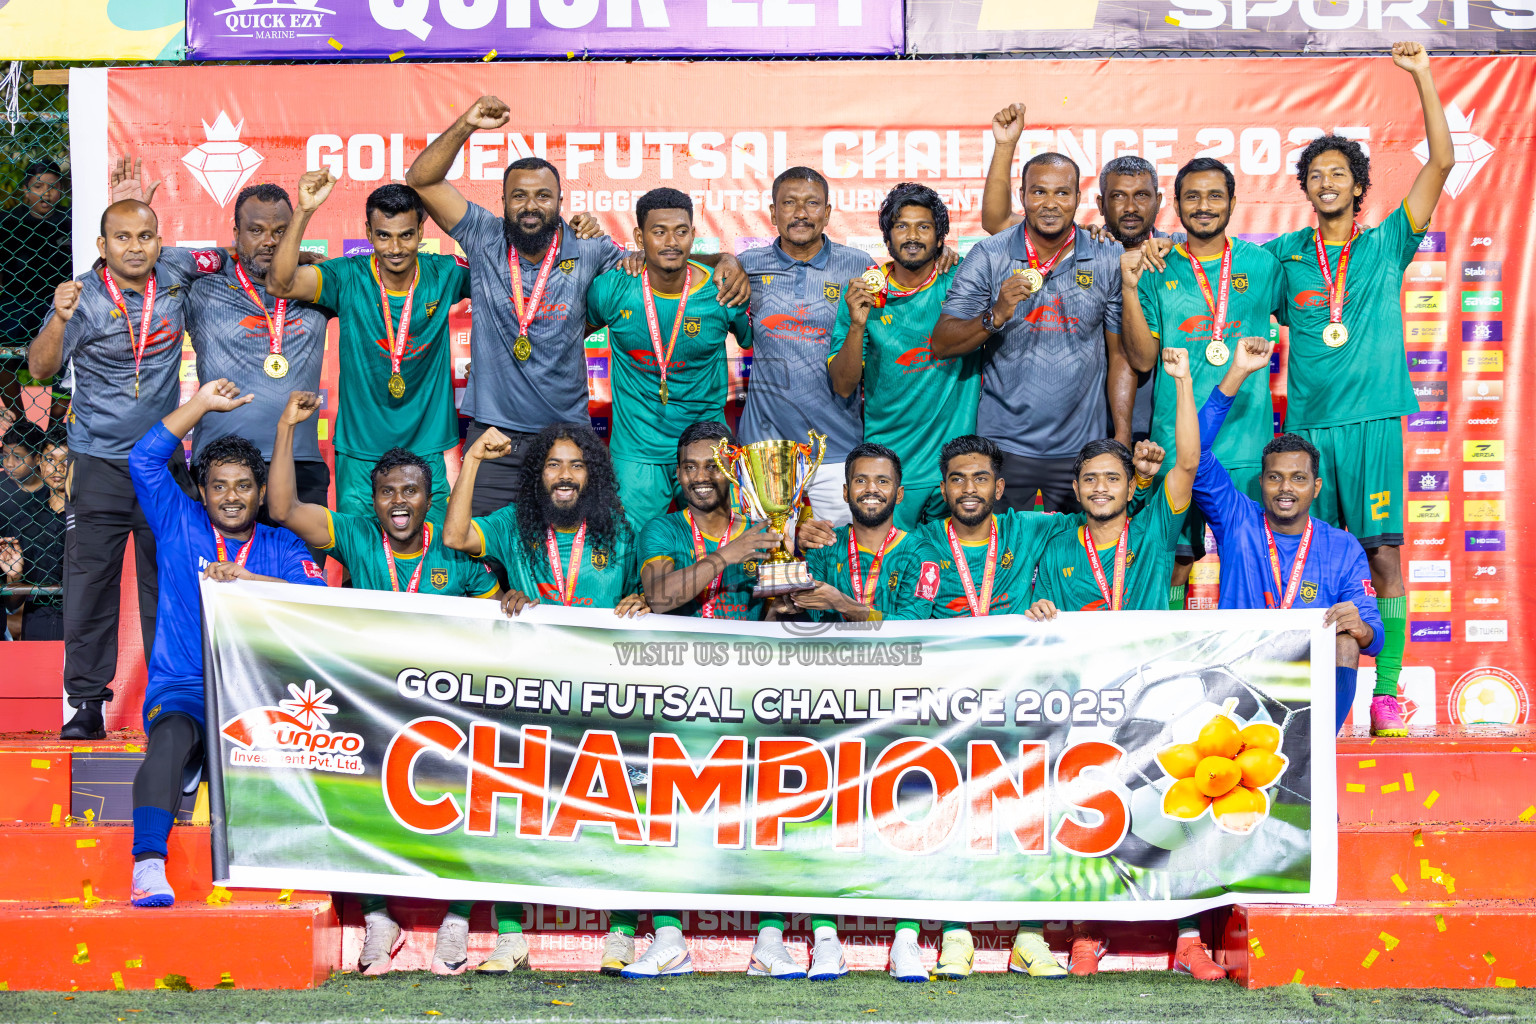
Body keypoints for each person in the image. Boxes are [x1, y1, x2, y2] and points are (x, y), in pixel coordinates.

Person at [405, 95, 746, 515]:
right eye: (520, 196)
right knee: (484, 553)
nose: (531, 206)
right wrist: (467, 124)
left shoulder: (589, 248)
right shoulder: (482, 235)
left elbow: (666, 256)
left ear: (561, 203)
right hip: (493, 436)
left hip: (566, 437)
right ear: (503, 203)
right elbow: (421, 179)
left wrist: (724, 260)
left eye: (544, 196)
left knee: (571, 556)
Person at [265, 389, 498, 975]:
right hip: (372, 706)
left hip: (448, 712)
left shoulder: (455, 552)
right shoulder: (358, 536)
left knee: (468, 804)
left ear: (429, 499)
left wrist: (511, 601)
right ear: (372, 501)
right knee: (353, 802)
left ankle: (456, 917)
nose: (399, 501)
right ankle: (377, 916)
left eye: (411, 491)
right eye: (388, 491)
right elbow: (283, 509)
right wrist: (288, 430)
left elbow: (501, 622)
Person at [1260, 43, 1451, 737]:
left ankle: (1388, 692)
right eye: (1316, 174)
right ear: (1306, 189)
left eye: (1339, 173)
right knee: (1311, 554)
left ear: (1358, 185)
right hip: (1309, 431)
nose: (1327, 182)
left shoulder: (1384, 246)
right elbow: (1221, 272)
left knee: (1384, 555)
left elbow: (1442, 164)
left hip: (1372, 424)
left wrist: (1423, 77)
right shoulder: (1284, 257)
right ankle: (1309, 695)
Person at [28, 160, 228, 741]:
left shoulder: (178, 269)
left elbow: (235, 255)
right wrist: (60, 321)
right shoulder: (82, 297)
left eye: (145, 237)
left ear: (160, 240)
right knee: (90, 587)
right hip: (99, 464)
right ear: (102, 244)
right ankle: (85, 704)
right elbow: (39, 370)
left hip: (163, 464)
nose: (135, 248)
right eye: (123, 238)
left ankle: (177, 699)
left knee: (169, 585)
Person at [443, 421, 648, 976]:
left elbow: (650, 594)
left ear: (593, 475)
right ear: (539, 475)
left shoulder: (620, 532)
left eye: (576, 465)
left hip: (608, 702)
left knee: (618, 817)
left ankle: (623, 933)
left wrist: (641, 598)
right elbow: (456, 537)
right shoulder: (515, 526)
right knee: (515, 814)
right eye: (553, 465)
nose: (564, 475)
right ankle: (511, 936)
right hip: (534, 700)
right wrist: (475, 462)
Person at [125, 379, 326, 907]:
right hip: (187, 685)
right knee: (168, 739)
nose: (231, 496)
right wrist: (202, 405)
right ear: (203, 490)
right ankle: (148, 865)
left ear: (260, 494)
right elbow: (143, 460)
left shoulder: (281, 543)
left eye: (242, 486)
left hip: (262, 693)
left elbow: (317, 602)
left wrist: (245, 581)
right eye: (219, 485)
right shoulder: (178, 521)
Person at [1194, 336, 1383, 732]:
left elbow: (1373, 635)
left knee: (1346, 639)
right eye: (1275, 478)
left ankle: (1317, 746)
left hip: (1302, 675)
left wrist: (1361, 626)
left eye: (1298, 479)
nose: (1285, 488)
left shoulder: (1342, 545)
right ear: (1260, 482)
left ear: (1315, 487)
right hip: (1236, 665)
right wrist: (1239, 372)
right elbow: (1195, 449)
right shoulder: (1237, 519)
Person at [1119, 157, 1283, 609]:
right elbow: (1141, 357)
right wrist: (1129, 289)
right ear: (1176, 205)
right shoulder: (1158, 266)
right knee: (1171, 560)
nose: (1203, 205)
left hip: (1247, 443)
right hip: (1175, 442)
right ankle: (1169, 655)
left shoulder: (1264, 264)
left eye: (1214, 196)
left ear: (1233, 202)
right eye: (1192, 196)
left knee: (1248, 559)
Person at [932, 153, 1134, 514]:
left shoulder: (1107, 256)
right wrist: (995, 314)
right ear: (1022, 195)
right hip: (1002, 447)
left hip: (1082, 447)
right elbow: (943, 342)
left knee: (1078, 562)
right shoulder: (990, 254)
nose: (1051, 204)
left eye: (1063, 193)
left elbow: (1119, 354)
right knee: (1000, 560)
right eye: (1039, 192)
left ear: (1078, 198)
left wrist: (1119, 437)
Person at [266, 175, 469, 520]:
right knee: (360, 563)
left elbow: (507, 276)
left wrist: (568, 241)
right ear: (368, 232)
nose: (395, 248)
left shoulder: (446, 272)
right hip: (360, 455)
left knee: (436, 564)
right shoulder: (347, 276)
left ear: (422, 231)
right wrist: (303, 211)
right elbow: (280, 283)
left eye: (406, 235)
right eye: (384, 236)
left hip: (428, 450)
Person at [585, 188, 752, 528]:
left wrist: (730, 260)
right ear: (639, 236)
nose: (671, 241)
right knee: (633, 550)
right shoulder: (612, 288)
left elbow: (760, 344)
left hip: (708, 447)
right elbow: (567, 337)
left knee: (726, 545)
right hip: (638, 450)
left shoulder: (723, 291)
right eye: (659, 232)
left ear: (693, 233)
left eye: (681, 230)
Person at [828, 184, 978, 532]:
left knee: (954, 576)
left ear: (941, 238)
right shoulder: (864, 294)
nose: (912, 236)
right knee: (892, 576)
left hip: (953, 468)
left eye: (924, 227)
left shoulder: (962, 280)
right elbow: (843, 385)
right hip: (890, 470)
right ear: (887, 237)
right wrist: (856, 325)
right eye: (901, 226)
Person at [186, 184, 334, 532]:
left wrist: (304, 258)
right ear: (236, 234)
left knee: (300, 582)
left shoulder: (317, 288)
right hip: (220, 468)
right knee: (220, 581)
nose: (269, 241)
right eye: (256, 231)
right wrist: (227, 254)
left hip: (300, 465)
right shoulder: (201, 289)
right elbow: (153, 264)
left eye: (281, 232)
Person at [736, 167, 879, 526]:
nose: (801, 213)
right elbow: (695, 271)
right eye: (789, 203)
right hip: (765, 451)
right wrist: (723, 259)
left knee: (841, 564)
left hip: (835, 449)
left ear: (828, 213)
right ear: (772, 213)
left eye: (812, 203)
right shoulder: (748, 266)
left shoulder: (859, 266)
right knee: (768, 570)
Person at [1, 426, 67, 640]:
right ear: (39, 461)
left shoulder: (94, 519)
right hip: (36, 628)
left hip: (84, 629)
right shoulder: (23, 519)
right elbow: (13, 603)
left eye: (68, 459)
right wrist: (14, 577)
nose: (58, 468)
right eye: (50, 459)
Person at [0, 160, 71, 340]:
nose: (46, 194)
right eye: (38, 186)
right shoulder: (8, 223)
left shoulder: (72, 219)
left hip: (62, 299)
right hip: (16, 301)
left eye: (53, 187)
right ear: (26, 189)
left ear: (61, 189)